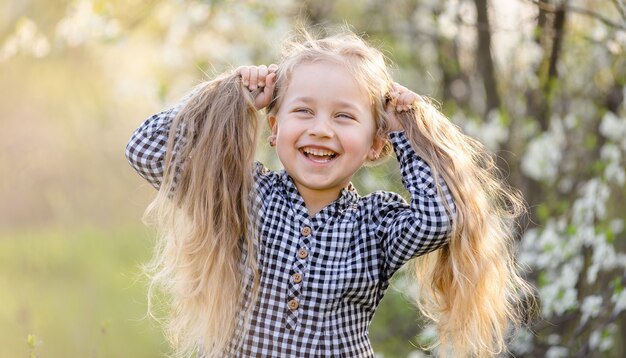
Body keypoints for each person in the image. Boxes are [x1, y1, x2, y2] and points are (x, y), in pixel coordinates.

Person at [125, 29, 532, 357]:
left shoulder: (375, 225)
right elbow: (145, 148)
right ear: (274, 128)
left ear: (375, 143)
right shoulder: (244, 195)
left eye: (344, 116)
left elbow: (440, 218)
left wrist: (408, 131)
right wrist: (228, 96)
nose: (321, 128)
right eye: (303, 111)